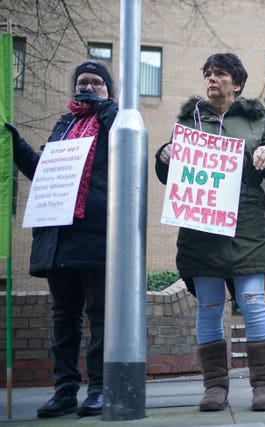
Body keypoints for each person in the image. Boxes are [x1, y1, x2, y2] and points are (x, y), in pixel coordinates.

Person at [155, 52, 265, 412]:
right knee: (210, 306)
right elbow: (168, 175)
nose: (212, 79)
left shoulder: (255, 119)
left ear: (237, 83)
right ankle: (214, 387)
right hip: (203, 224)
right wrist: (164, 155)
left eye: (220, 74)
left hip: (246, 219)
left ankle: (264, 385)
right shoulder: (189, 119)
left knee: (252, 301)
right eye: (208, 74)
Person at [5, 60, 118, 418]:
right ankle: (64, 390)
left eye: (96, 84)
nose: (87, 88)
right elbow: (45, 172)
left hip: (96, 231)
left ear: (109, 91)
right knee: (64, 317)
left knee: (99, 315)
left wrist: (106, 108)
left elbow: (128, 146)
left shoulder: (114, 120)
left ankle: (99, 388)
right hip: (59, 231)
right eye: (82, 83)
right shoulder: (64, 126)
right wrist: (17, 145)